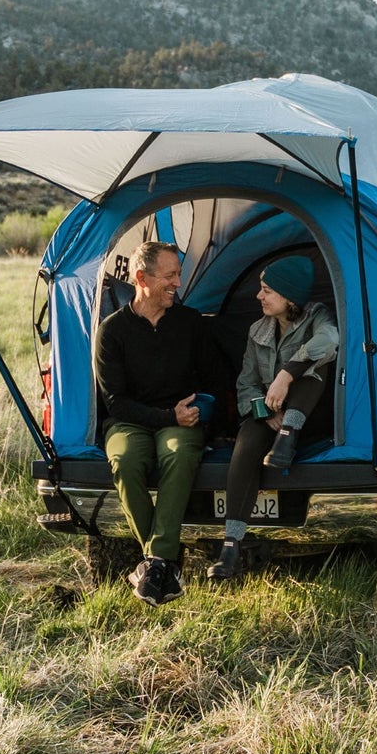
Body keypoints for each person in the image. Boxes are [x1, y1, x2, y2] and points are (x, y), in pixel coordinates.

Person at [94, 238, 212, 604]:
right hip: (129, 421)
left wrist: (204, 418)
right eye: (171, 275)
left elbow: (215, 379)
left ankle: (154, 562)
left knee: (177, 454)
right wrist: (164, 415)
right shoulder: (112, 330)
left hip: (182, 422)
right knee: (125, 460)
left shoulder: (190, 323)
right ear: (141, 278)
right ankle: (165, 562)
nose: (178, 283)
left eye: (179, 273)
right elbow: (115, 402)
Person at [212, 253, 339, 582]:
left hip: (311, 414)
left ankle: (289, 437)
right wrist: (264, 411)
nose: (259, 296)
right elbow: (246, 384)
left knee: (315, 369)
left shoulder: (317, 316)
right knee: (247, 443)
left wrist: (285, 375)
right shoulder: (258, 330)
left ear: (290, 296)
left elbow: (330, 341)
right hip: (271, 411)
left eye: (267, 290)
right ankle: (230, 546)